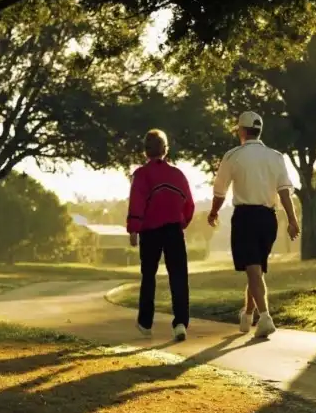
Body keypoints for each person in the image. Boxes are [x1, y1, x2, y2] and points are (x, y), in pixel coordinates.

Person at [207, 111, 300, 339]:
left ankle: (266, 317)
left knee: (253, 269)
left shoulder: (233, 156)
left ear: (241, 130)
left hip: (245, 218)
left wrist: (214, 212)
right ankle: (247, 314)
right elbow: (284, 191)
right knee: (255, 268)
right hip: (269, 220)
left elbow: (220, 190)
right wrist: (292, 219)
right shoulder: (276, 156)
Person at [127, 128, 195, 341]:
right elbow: (189, 204)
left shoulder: (141, 175)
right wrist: (182, 222)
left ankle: (146, 323)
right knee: (178, 276)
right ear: (165, 150)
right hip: (174, 229)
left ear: (146, 151)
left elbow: (137, 202)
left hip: (150, 231)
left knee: (148, 276)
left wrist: (133, 229)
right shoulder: (177, 174)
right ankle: (181, 322)